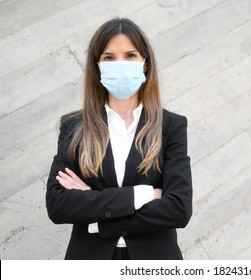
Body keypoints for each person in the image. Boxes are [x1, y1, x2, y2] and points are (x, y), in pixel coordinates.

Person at [46, 18, 192, 260]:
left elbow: (179, 209)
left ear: (145, 63)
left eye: (130, 55)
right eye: (110, 58)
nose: (120, 64)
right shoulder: (74, 127)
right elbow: (58, 205)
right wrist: (145, 194)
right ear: (98, 65)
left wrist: (98, 212)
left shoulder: (171, 126)